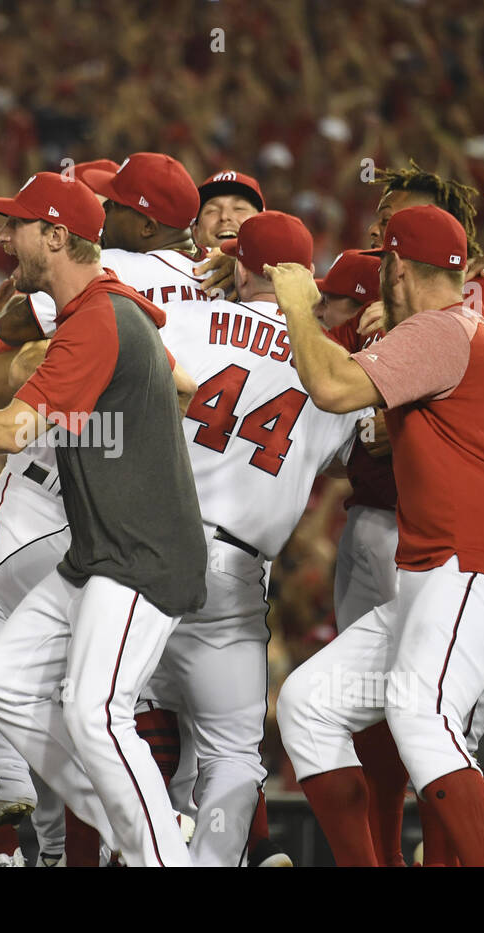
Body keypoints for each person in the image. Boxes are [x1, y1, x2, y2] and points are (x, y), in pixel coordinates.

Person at [0, 172, 207, 866]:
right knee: (3, 684)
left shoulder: (101, 318)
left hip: (142, 557)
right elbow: (180, 379)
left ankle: (159, 848)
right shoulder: (110, 311)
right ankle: (146, 829)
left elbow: (13, 428)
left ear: (56, 237)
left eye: (16, 226)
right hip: (97, 552)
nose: (2, 238)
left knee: (91, 712)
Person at [272, 204, 484, 866]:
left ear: (396, 268)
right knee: (310, 705)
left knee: (420, 715)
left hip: (480, 567)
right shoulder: (450, 328)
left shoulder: (445, 329)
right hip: (441, 576)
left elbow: (333, 388)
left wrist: (298, 308)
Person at [146, 211, 364, 864]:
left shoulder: (182, 318)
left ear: (238, 266)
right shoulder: (329, 361)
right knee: (233, 753)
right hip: (235, 570)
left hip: (149, 551)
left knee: (111, 720)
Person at [192, 169, 265, 250]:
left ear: (263, 227)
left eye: (239, 208)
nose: (224, 216)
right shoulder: (176, 261)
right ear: (195, 232)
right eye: (212, 210)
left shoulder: (280, 259)